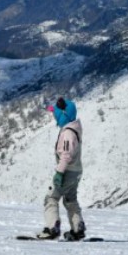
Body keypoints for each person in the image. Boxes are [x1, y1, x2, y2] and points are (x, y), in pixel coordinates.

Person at [37, 97, 86, 241]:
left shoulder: (67, 134)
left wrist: (59, 173)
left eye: (56, 114)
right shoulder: (73, 130)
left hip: (66, 172)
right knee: (70, 200)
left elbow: (65, 155)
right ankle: (78, 228)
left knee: (51, 198)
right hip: (76, 171)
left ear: (63, 115)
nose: (54, 116)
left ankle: (52, 228)